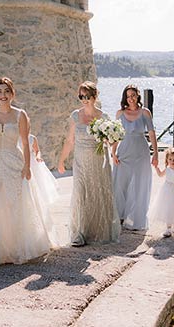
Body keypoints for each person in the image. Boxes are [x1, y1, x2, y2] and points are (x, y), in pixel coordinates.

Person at [0, 77, 55, 266]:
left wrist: (27, 167)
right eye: (0, 92)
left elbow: (26, 143)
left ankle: (13, 248)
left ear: (12, 94)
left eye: (7, 91)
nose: (3, 95)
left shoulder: (20, 115)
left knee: (14, 203)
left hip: (13, 161)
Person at [57, 81, 118, 247]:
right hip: (81, 161)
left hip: (99, 161)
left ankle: (97, 231)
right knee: (80, 193)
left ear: (95, 96)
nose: (84, 99)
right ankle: (80, 232)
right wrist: (62, 160)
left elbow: (111, 141)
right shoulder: (75, 116)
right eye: (81, 96)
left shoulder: (103, 117)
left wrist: (111, 145)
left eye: (87, 96)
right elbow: (70, 140)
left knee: (97, 193)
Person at [111, 84, 158, 231]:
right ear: (125, 98)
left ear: (138, 95)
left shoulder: (145, 112)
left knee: (139, 185)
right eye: (128, 96)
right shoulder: (119, 113)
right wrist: (113, 153)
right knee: (120, 184)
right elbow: (116, 135)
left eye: (133, 95)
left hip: (141, 152)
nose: (130, 98)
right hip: (124, 151)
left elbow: (151, 133)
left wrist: (155, 153)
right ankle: (119, 216)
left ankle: (136, 218)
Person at [28, 134, 59, 207]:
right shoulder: (15, 137)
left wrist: (38, 157)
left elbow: (37, 151)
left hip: (32, 162)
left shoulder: (32, 138)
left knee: (36, 182)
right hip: (20, 161)